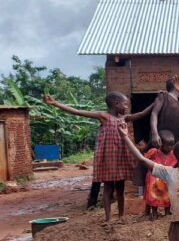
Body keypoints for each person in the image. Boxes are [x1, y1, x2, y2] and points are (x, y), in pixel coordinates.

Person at [43, 93, 154, 222]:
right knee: (108, 187)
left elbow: (141, 114)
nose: (127, 107)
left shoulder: (124, 118)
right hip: (108, 159)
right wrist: (56, 104)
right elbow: (78, 111)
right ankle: (108, 218)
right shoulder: (103, 117)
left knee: (120, 187)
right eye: (125, 104)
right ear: (116, 104)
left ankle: (121, 216)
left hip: (121, 158)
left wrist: (156, 102)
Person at [144, 130, 177, 219]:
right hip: (155, 179)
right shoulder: (154, 152)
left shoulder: (174, 154)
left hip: (167, 180)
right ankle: (154, 212)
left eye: (172, 145)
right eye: (168, 145)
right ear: (160, 144)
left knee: (168, 196)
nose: (171, 147)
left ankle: (167, 212)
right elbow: (144, 160)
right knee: (154, 194)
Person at [151, 75, 179, 145]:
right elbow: (154, 114)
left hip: (176, 142)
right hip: (163, 141)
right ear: (175, 85)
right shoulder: (163, 96)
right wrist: (154, 133)